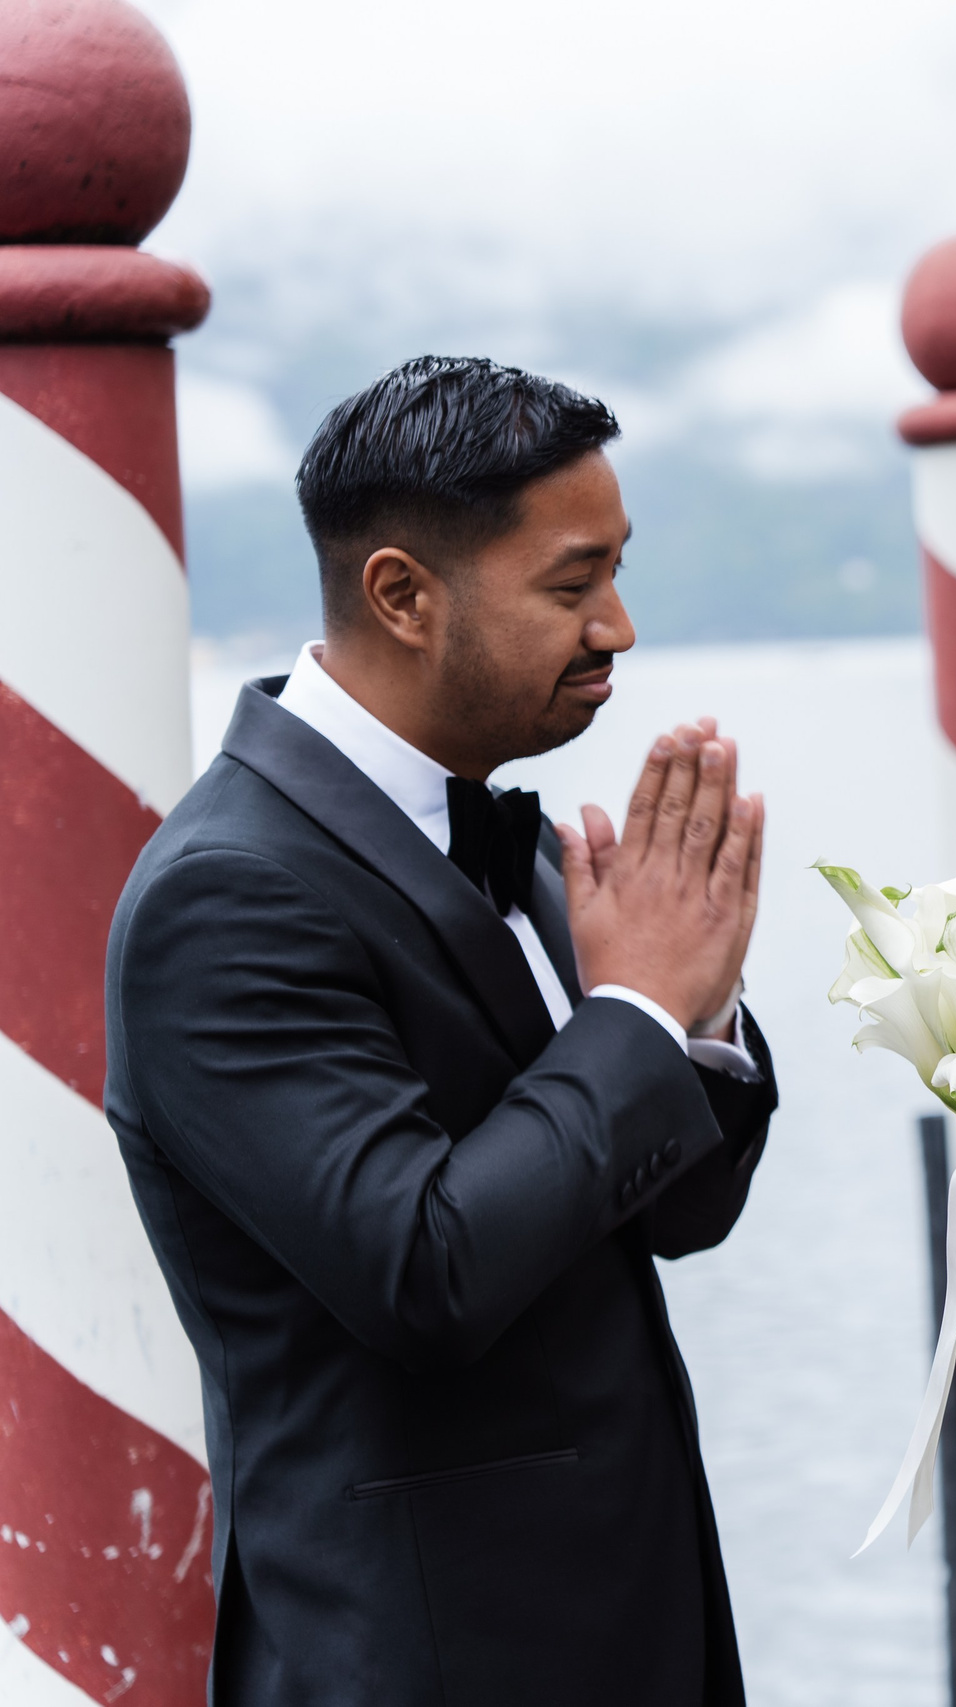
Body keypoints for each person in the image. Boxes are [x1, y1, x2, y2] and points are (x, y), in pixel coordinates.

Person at [103, 356, 776, 1706]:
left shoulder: (515, 833)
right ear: (403, 595)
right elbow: (425, 1271)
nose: (619, 626)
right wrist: (637, 1010)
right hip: (422, 1661)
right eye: (572, 586)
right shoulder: (224, 896)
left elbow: (675, 1212)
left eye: (617, 572)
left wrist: (696, 1013)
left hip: (639, 1629)